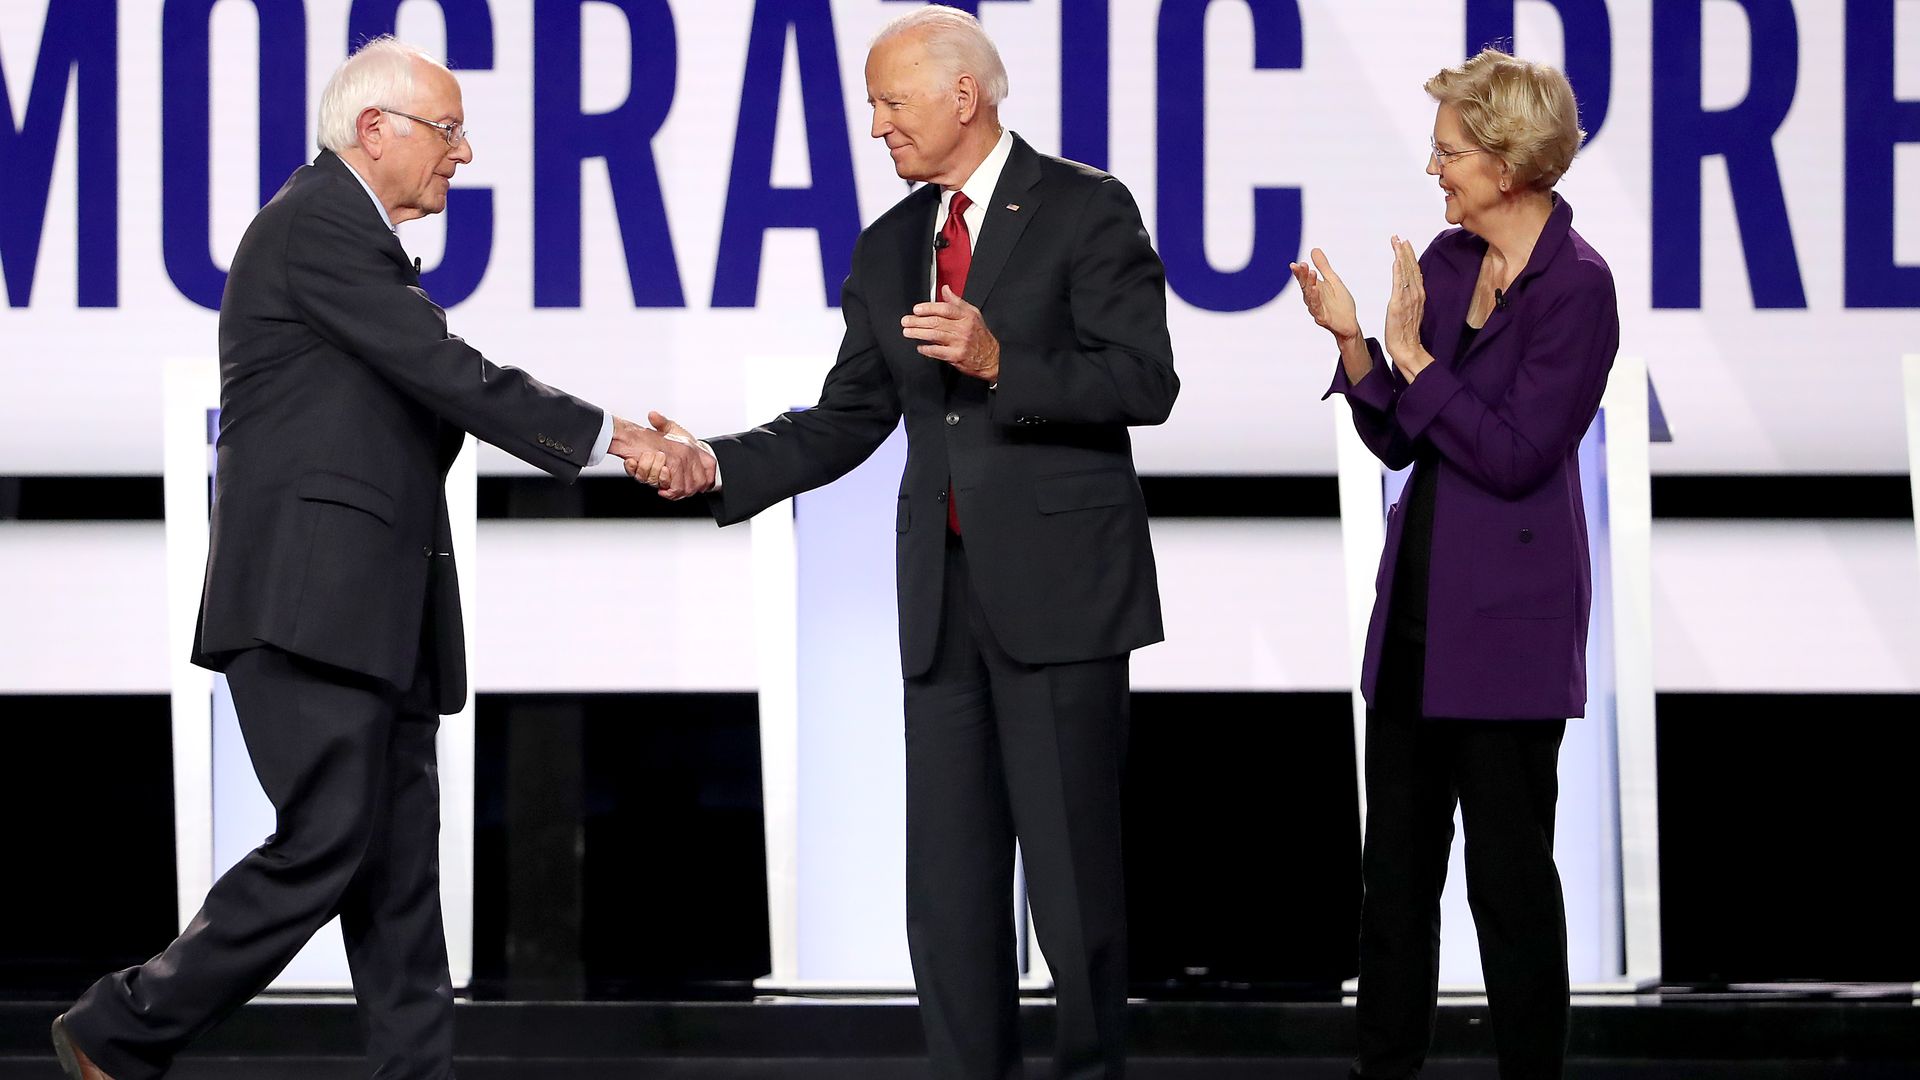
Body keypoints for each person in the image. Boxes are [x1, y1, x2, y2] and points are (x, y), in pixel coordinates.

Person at [50, 37, 705, 1080]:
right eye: (447, 131)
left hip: (377, 614)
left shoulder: (348, 241)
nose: (465, 154)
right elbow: (452, 374)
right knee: (330, 843)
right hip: (309, 606)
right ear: (374, 130)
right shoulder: (314, 225)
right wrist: (620, 439)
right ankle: (120, 1026)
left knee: (399, 877)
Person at [647, 7, 1175, 1076]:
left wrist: (999, 359)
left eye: (892, 103)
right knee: (948, 885)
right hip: (942, 600)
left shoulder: (1085, 208)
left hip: (1064, 594)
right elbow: (850, 415)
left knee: (1074, 890)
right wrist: (718, 462)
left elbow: (1143, 383)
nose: (878, 127)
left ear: (962, 97)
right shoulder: (893, 246)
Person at [1289, 49, 1618, 1080]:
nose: (1436, 172)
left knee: (1509, 881)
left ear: (1512, 162)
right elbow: (1402, 440)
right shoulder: (1442, 262)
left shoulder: (1578, 289)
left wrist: (1418, 363)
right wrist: (1355, 347)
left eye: (1452, 153)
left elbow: (1517, 457)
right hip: (1422, 613)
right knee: (1394, 880)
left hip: (1511, 623)